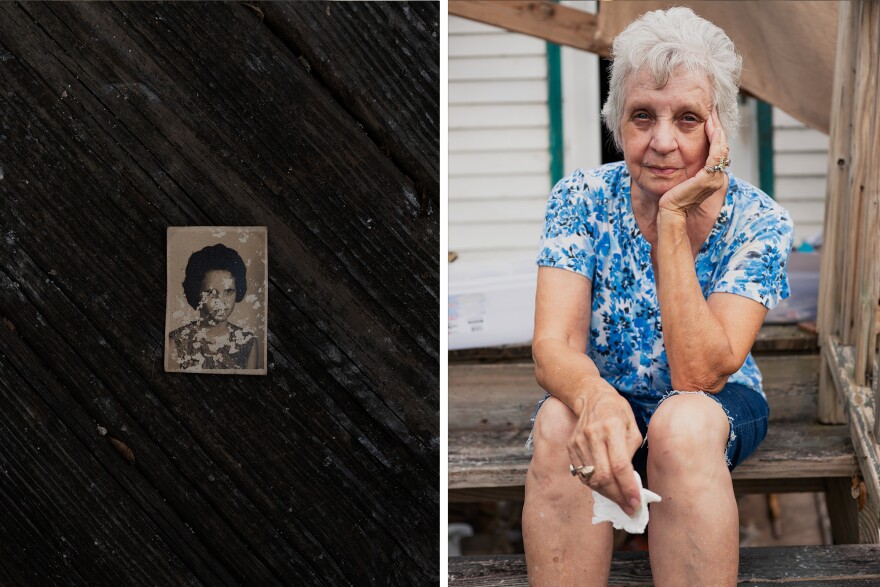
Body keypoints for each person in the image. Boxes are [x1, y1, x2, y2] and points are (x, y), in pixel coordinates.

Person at [522, 7, 793, 585]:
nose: (662, 141)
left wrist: (673, 219)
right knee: (555, 423)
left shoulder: (759, 221)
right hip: (608, 401)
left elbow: (701, 372)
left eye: (688, 119)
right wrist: (595, 397)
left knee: (682, 424)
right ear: (618, 123)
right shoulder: (581, 197)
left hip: (714, 409)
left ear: (718, 132)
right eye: (642, 115)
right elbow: (553, 346)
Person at [168, 243, 258, 371]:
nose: (221, 302)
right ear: (197, 292)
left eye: (228, 291)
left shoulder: (247, 343)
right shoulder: (177, 343)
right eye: (211, 293)